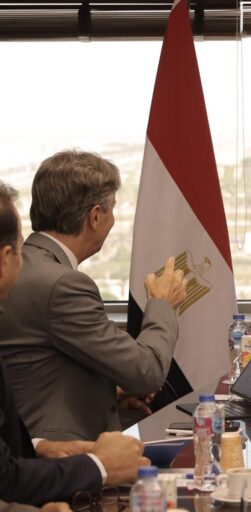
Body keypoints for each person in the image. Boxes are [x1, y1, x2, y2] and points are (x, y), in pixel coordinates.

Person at [0, 150, 187, 441]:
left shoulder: (28, 266)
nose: (113, 220)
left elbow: (38, 369)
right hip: (57, 457)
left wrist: (106, 396)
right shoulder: (63, 285)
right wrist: (162, 304)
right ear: (95, 216)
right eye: (112, 210)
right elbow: (147, 372)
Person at [0, 180, 149, 506]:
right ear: (4, 260)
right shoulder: (62, 283)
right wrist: (101, 466)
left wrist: (41, 446)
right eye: (21, 248)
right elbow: (5, 480)